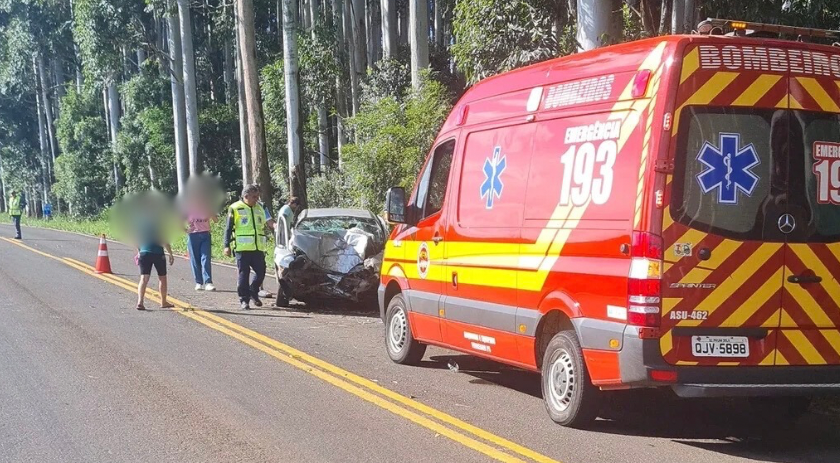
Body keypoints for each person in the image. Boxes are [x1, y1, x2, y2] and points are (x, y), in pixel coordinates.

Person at [223, 184, 276, 310]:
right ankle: (244, 300)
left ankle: (253, 290)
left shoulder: (261, 207)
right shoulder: (235, 208)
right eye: (254, 197)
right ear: (246, 196)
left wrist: (277, 226)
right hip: (242, 248)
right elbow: (228, 228)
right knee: (243, 274)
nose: (256, 199)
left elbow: (269, 222)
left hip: (258, 247)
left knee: (261, 272)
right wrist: (226, 245)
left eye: (258, 196)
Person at [136, 229, 175, 311]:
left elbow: (137, 239)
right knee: (162, 277)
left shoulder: (141, 224)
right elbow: (163, 241)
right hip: (158, 253)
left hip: (144, 253)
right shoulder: (158, 225)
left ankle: (140, 301)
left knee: (144, 278)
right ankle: (163, 302)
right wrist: (170, 254)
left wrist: (139, 251)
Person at [275, 197, 302, 307]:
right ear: (293, 204)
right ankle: (284, 288)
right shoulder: (286, 210)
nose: (296, 209)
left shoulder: (286, 209)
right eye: (296, 206)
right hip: (283, 239)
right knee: (285, 267)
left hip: (285, 237)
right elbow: (285, 224)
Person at [186, 207, 217, 292]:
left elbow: (216, 220)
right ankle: (198, 282)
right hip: (193, 236)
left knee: (206, 258)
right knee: (195, 260)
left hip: (205, 235)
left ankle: (208, 282)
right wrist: (185, 230)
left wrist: (211, 213)